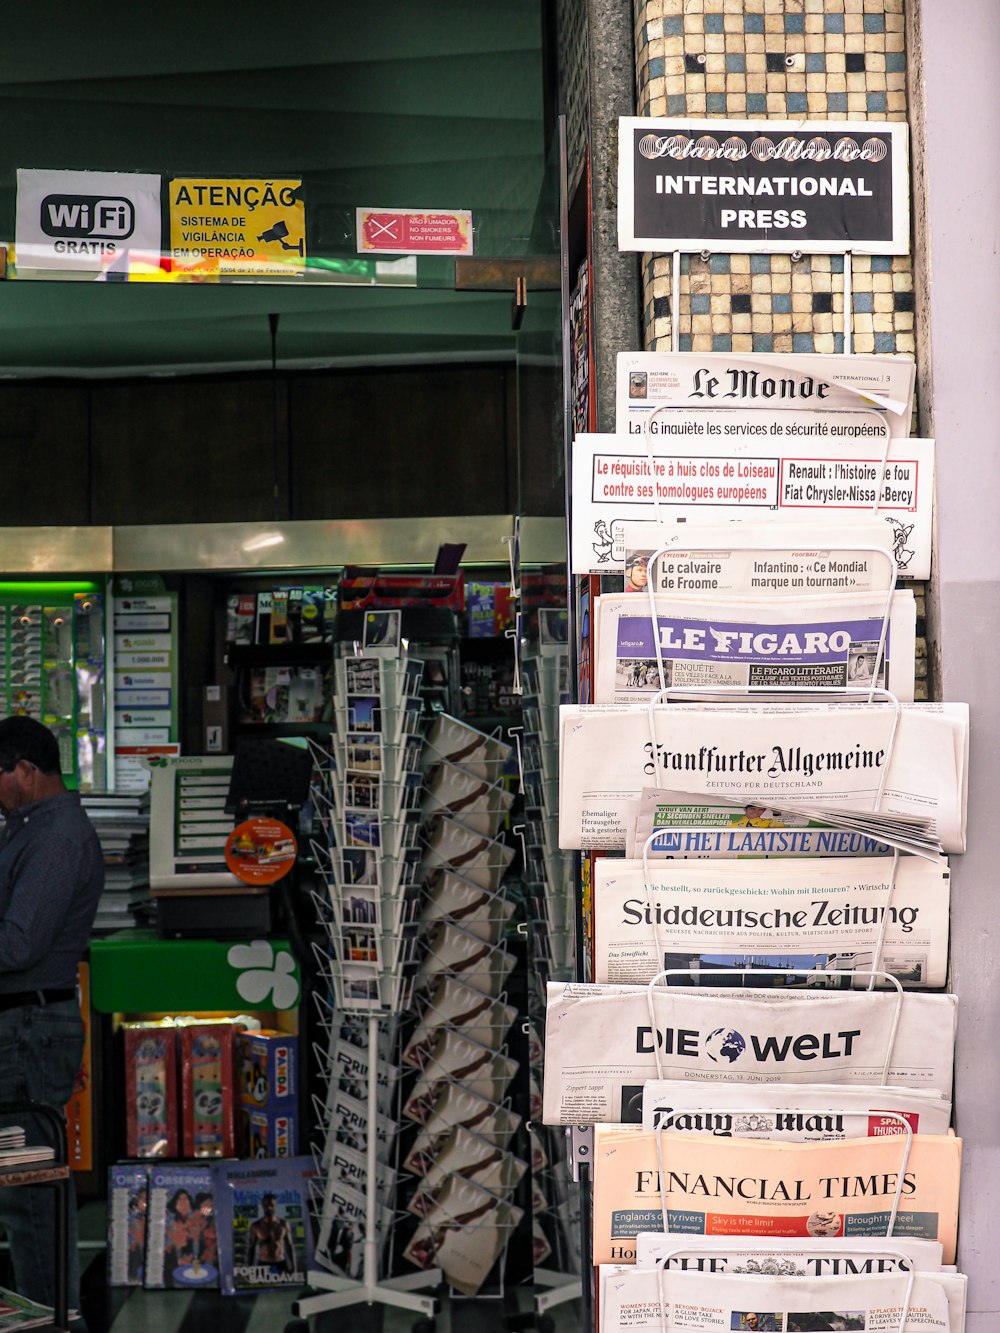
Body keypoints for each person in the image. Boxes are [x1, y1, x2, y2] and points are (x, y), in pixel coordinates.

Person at [0, 716, 103, 1332]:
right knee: (23, 1185)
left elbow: (18, 945)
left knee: (30, 1192)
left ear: (27, 772)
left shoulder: (57, 837)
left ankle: (50, 1326)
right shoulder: (28, 828)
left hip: (29, 1028)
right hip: (23, 1025)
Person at [244, 1192, 296, 1272]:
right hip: (263, 1263)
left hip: (280, 1262)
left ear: (275, 1206)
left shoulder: (283, 1224)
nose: (269, 1208)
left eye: (272, 1205)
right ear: (262, 1206)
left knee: (285, 1284)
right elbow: (251, 1248)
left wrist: (294, 1267)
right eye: (266, 1205)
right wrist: (248, 1269)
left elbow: (289, 1246)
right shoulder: (256, 1226)